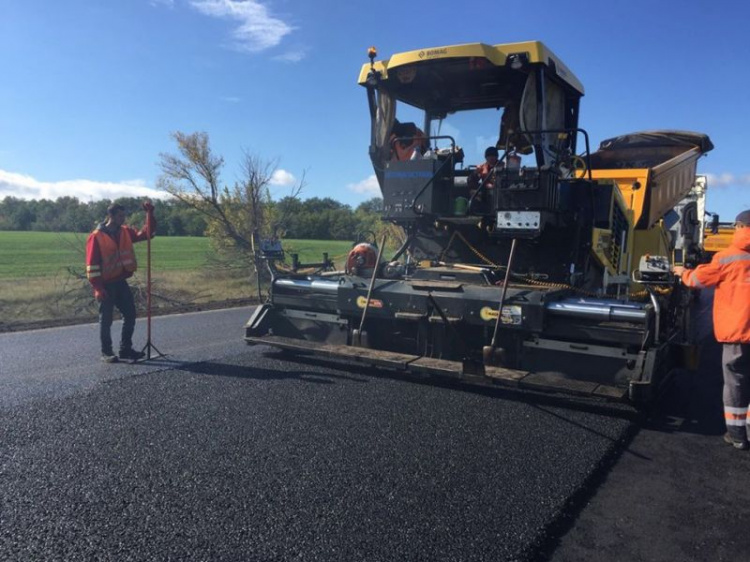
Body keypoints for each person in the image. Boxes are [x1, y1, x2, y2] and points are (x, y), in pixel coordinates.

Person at [674, 209, 750, 450]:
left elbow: (697, 281)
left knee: (736, 382)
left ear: (739, 228)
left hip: (738, 333)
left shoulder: (728, 258)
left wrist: (681, 272)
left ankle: (737, 435)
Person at [86, 200, 156, 363]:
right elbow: (92, 265)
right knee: (106, 320)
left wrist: (150, 214)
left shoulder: (125, 231)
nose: (123, 219)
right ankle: (106, 352)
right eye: (120, 216)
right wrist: (97, 287)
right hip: (105, 284)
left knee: (130, 314)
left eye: (124, 216)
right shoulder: (96, 237)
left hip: (121, 282)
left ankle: (125, 349)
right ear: (110, 216)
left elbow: (147, 234)